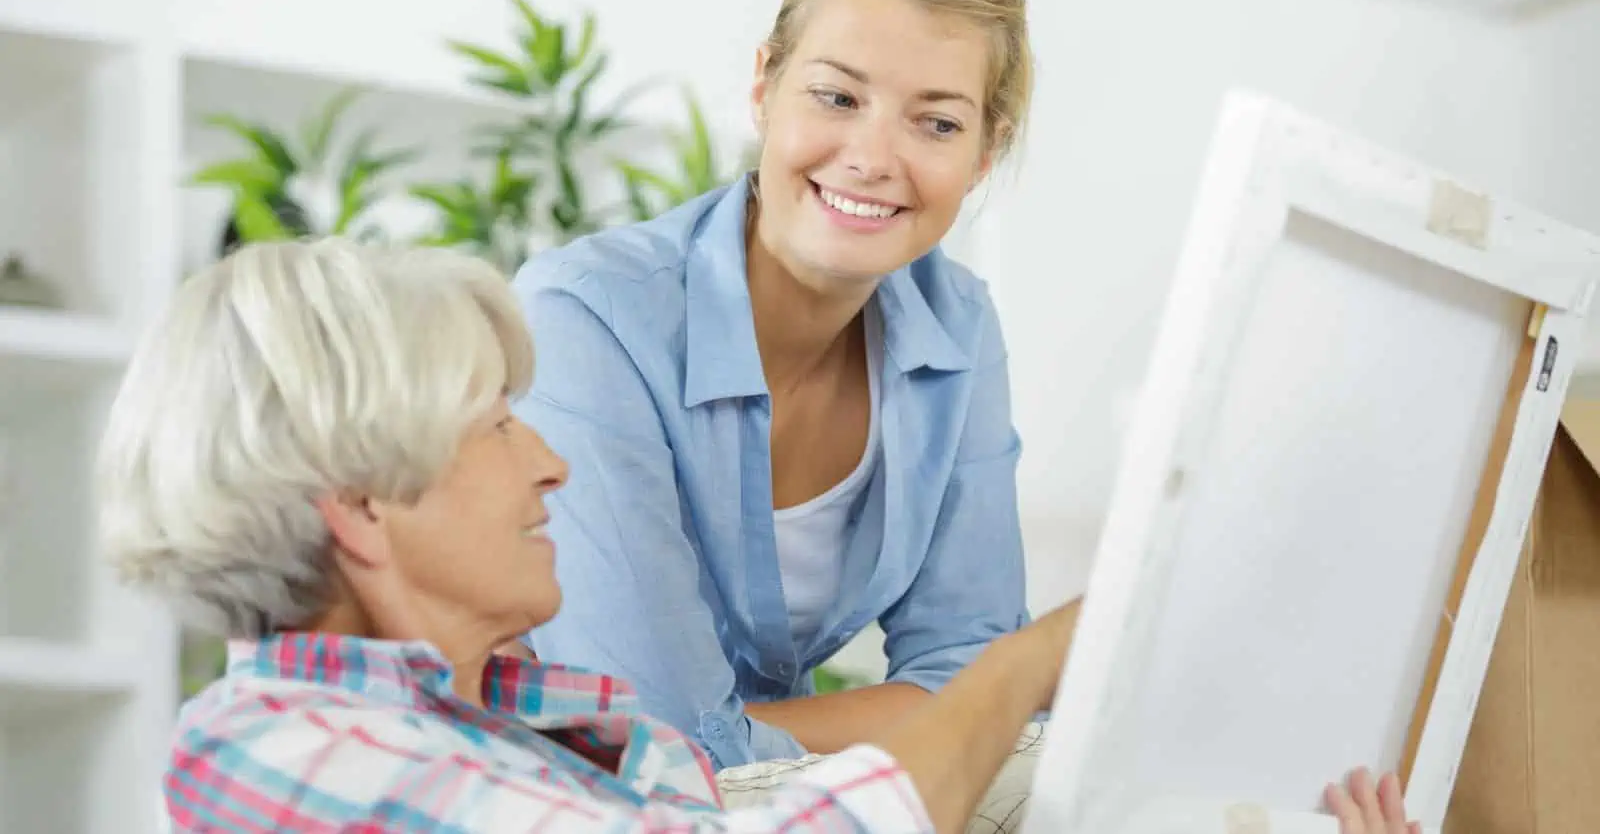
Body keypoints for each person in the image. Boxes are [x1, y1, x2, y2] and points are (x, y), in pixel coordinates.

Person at [99, 239, 1417, 834]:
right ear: (360, 506)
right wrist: (1029, 664)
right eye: (495, 424)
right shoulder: (268, 750)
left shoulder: (577, 731)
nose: (549, 457)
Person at [512, 0, 1041, 768]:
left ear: (984, 153)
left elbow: (977, 678)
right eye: (836, 98)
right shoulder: (588, 319)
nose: (871, 159)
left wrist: (737, 741)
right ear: (766, 85)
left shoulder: (959, 328)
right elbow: (657, 745)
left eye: (936, 122)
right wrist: (929, 723)